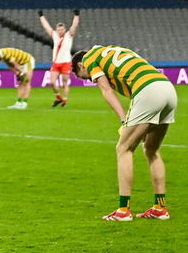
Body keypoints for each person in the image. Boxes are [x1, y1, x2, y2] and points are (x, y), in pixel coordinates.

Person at [72, 45, 176, 221]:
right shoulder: (112, 50)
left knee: (123, 148)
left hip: (148, 90)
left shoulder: (89, 59)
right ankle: (160, 208)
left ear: (81, 65)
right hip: (167, 88)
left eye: (81, 75)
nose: (89, 79)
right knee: (151, 149)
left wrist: (123, 119)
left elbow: (107, 90)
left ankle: (123, 210)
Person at [39, 10, 80, 107]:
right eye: (59, 29)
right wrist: (41, 16)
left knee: (65, 82)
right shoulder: (55, 35)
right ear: (57, 30)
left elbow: (74, 26)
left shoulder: (69, 35)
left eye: (62, 29)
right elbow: (46, 27)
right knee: (52, 82)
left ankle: (64, 100)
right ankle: (58, 98)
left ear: (64, 29)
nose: (60, 31)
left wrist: (76, 15)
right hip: (56, 63)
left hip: (66, 62)